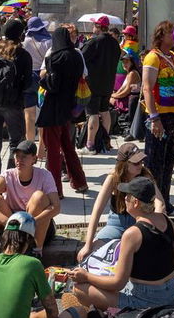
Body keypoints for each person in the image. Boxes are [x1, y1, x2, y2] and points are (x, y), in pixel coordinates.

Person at [68, 176, 174, 311]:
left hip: (145, 300)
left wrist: (86, 276)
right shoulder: (165, 219)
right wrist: (161, 275)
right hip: (170, 294)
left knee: (80, 289)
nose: (124, 199)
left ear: (135, 202)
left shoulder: (132, 234)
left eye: (127, 196)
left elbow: (118, 283)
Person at [77, 141, 157, 261]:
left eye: (141, 161)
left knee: (144, 256)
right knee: (88, 256)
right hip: (116, 224)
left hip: (139, 222)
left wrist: (158, 225)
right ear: (124, 164)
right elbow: (97, 211)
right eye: (136, 162)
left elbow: (160, 202)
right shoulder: (113, 178)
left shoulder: (145, 177)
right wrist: (88, 245)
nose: (140, 165)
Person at [0, 140, 59, 254]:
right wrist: (6, 221)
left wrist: (30, 222)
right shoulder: (7, 175)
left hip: (37, 226)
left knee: (39, 197)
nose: (19, 160)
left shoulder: (45, 175)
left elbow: (56, 207)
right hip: (12, 224)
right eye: (17, 156)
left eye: (24, 156)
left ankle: (36, 251)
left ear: (34, 159)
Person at [36, 27, 88, 196]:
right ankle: (80, 182)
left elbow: (53, 85)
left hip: (53, 109)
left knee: (52, 152)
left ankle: (54, 190)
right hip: (69, 108)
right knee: (68, 147)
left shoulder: (55, 58)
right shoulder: (77, 56)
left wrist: (43, 81)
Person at [0, 31, 32, 182]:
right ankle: (10, 178)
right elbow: (28, 83)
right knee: (15, 142)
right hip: (13, 104)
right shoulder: (22, 54)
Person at [81, 16, 123, 153]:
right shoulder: (115, 43)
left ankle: (90, 144)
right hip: (108, 83)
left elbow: (82, 59)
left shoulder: (94, 42)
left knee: (92, 113)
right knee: (105, 111)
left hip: (93, 83)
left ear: (98, 27)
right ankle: (106, 142)